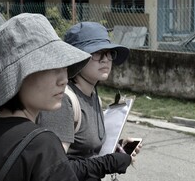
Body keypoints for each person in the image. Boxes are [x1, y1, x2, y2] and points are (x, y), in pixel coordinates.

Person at [0, 13, 91, 181]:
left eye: (64, 67)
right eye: (52, 66)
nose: (64, 80)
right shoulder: (42, 144)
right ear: (20, 76)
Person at [38, 21, 139, 180]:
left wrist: (117, 148)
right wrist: (108, 163)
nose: (106, 59)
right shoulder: (63, 101)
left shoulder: (94, 97)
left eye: (109, 53)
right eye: (98, 53)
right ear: (76, 58)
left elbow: (87, 152)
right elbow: (54, 171)